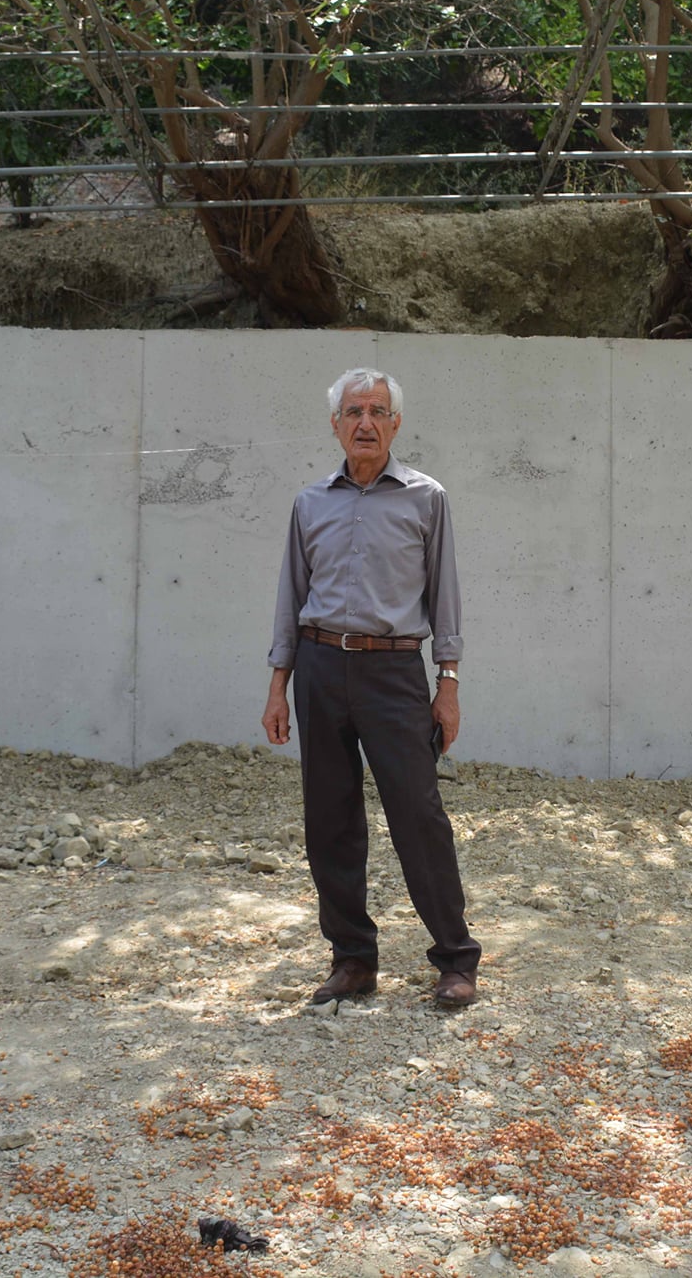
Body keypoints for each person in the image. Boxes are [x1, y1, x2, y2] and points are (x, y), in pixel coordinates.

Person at [261, 368, 481, 1008]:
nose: (365, 422)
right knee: (329, 819)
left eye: (378, 411)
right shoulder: (310, 503)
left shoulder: (425, 498)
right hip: (320, 666)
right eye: (353, 411)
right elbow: (289, 598)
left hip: (393, 671)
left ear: (395, 424)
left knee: (418, 814)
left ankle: (455, 958)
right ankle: (353, 959)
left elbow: (446, 598)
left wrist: (449, 683)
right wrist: (278, 686)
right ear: (335, 425)